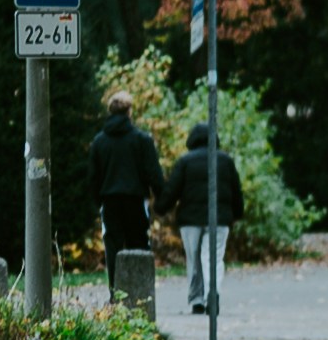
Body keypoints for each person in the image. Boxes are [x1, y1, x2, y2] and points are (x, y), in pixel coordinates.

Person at [88, 92, 162, 282]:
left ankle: (115, 291)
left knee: (113, 247)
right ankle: (140, 290)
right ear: (129, 111)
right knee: (138, 245)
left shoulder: (99, 142)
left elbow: (93, 177)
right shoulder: (142, 140)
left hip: (110, 200)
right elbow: (153, 173)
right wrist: (160, 197)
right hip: (135, 199)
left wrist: (98, 201)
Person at [176, 115, 243, 313]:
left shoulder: (185, 161)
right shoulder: (225, 160)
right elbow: (235, 191)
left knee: (193, 259)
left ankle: (196, 300)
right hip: (220, 219)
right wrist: (236, 214)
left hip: (190, 220)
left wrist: (161, 206)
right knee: (213, 257)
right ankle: (212, 294)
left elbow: (173, 189)